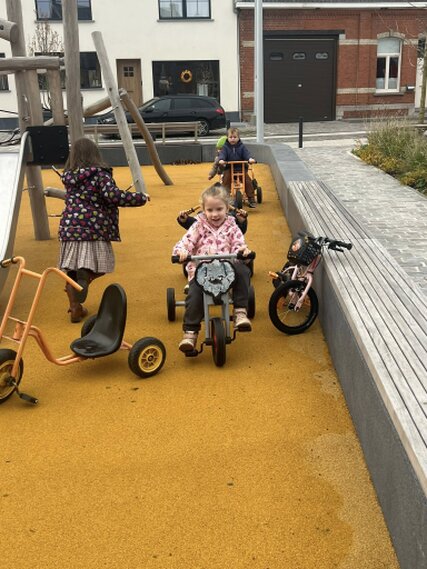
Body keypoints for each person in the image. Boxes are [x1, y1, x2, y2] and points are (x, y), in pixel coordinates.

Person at [58, 137, 149, 323]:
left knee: (71, 269)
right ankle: (87, 276)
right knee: (99, 266)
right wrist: (140, 198)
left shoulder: (69, 176)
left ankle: (75, 308)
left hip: (69, 227)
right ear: (94, 154)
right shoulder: (100, 174)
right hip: (93, 226)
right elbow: (113, 196)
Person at [172, 184, 253, 353]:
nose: (215, 214)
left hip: (227, 271)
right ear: (203, 210)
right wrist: (181, 252)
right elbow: (185, 242)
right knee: (194, 295)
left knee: (243, 270)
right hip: (202, 272)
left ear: (227, 208)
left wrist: (243, 252)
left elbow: (238, 243)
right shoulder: (198, 226)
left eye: (219, 209)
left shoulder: (232, 226)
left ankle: (240, 312)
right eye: (210, 210)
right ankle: (190, 333)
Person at [218, 127, 257, 208]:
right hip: (229, 168)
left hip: (241, 167)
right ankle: (226, 197)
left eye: (235, 137)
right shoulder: (225, 147)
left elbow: (246, 154)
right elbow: (222, 154)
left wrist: (250, 159)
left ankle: (251, 198)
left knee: (247, 181)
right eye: (230, 137)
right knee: (226, 180)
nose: (233, 139)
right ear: (227, 138)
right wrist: (221, 159)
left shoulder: (241, 147)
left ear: (238, 138)